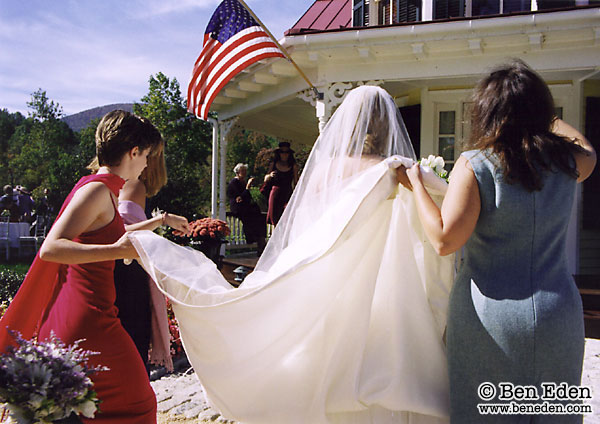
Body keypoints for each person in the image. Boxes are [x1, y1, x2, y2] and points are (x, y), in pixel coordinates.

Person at [128, 85, 454, 424]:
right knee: (374, 371)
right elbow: (438, 207)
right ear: (387, 126)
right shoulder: (395, 169)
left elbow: (306, 225)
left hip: (321, 285)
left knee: (320, 371)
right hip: (378, 291)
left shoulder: (324, 169)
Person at [402, 60, 596, 422]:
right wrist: (543, 117)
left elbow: (444, 239)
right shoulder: (568, 162)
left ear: (487, 111)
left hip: (491, 317)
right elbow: (586, 147)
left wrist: (416, 184)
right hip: (558, 312)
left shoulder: (476, 164)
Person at [0, 110, 188, 423]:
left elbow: (109, 232)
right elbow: (51, 248)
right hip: (91, 320)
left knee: (98, 411)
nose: (147, 165)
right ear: (133, 152)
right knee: (138, 406)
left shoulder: (100, 187)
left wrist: (161, 220)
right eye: (148, 156)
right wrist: (115, 251)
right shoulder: (98, 190)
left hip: (90, 314)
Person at [112, 143, 185, 373]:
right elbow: (123, 230)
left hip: (121, 270)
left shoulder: (122, 185)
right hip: (127, 273)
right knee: (133, 340)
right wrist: (161, 220)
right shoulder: (134, 185)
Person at [227, 163, 267, 255]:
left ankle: (261, 244)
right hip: (239, 208)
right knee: (251, 220)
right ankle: (255, 241)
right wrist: (247, 187)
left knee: (260, 218)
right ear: (237, 172)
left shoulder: (243, 182)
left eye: (245, 171)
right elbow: (240, 198)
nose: (245, 173)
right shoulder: (234, 183)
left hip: (247, 207)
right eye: (242, 171)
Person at [261, 141, 299, 225]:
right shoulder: (273, 164)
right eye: (282, 152)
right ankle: (274, 236)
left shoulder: (293, 166)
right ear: (279, 153)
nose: (284, 154)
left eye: (287, 152)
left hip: (287, 193)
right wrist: (270, 175)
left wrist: (297, 195)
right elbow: (265, 179)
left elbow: (296, 182)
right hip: (275, 193)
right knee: (274, 218)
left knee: (286, 217)